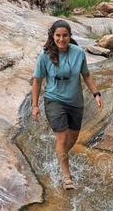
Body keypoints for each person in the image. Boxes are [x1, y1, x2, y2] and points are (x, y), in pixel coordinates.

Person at [31, 20, 103, 190]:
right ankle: (66, 176)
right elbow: (37, 81)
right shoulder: (45, 55)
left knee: (72, 138)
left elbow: (86, 75)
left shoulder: (78, 53)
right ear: (52, 36)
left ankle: (60, 155)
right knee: (62, 137)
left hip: (76, 101)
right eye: (58, 35)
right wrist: (35, 105)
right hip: (54, 99)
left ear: (70, 36)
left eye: (65, 36)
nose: (61, 39)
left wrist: (96, 93)